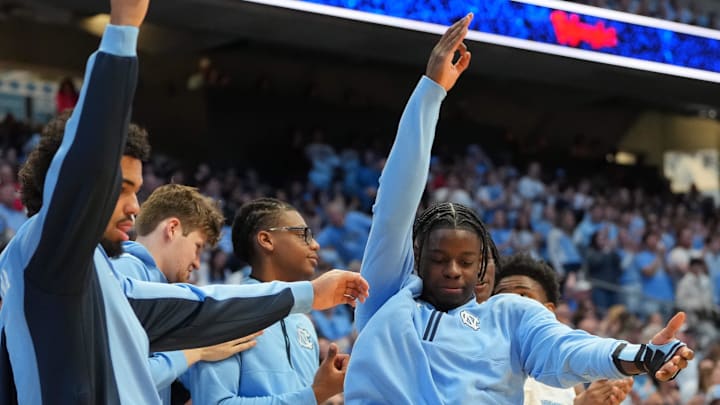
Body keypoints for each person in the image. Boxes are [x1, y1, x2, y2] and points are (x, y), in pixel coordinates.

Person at [0, 2, 369, 402]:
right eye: (122, 188)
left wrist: (311, 295)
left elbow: (202, 305)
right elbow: (87, 161)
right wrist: (123, 31)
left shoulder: (107, 279)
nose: (134, 206)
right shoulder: (45, 252)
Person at [344, 15, 692, 404]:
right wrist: (431, 93)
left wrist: (638, 355)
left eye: (465, 260)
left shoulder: (508, 317)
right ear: (418, 259)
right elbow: (395, 203)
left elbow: (570, 348)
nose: (452, 269)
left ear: (481, 268)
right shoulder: (388, 294)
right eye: (439, 258)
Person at [184, 198, 347, 404]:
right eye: (303, 234)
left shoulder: (304, 322)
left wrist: (325, 395)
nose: (315, 244)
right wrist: (316, 394)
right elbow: (215, 403)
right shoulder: (227, 311)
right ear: (266, 240)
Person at [112, 184, 262, 404]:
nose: (198, 263)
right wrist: (197, 351)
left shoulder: (157, 284)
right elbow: (118, 376)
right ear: (172, 228)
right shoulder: (127, 272)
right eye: (198, 247)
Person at [493, 254, 634, 405]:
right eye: (502, 296)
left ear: (548, 311)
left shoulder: (568, 379)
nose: (511, 304)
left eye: (523, 295)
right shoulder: (480, 364)